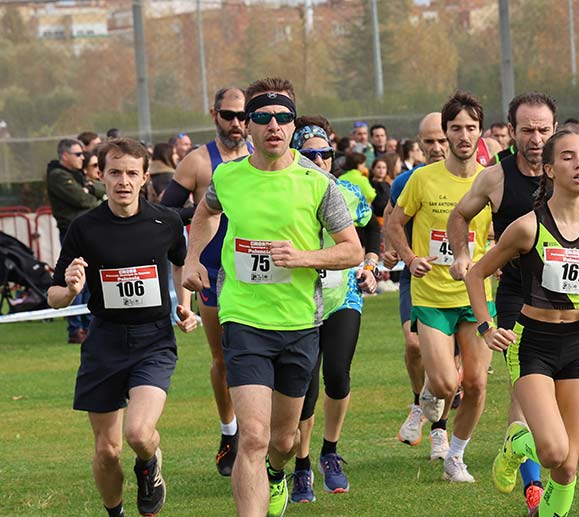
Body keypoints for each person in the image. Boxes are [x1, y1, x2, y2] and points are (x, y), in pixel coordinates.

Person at [182, 77, 362, 517]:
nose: (273, 126)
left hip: (300, 323)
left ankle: (277, 473)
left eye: (283, 118)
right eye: (262, 117)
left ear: (293, 124)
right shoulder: (228, 176)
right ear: (248, 127)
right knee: (254, 436)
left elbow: (352, 249)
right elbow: (205, 213)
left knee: (282, 441)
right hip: (244, 319)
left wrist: (302, 258)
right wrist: (191, 258)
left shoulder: (317, 183)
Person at [465, 128, 579, 517]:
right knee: (551, 451)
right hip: (533, 343)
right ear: (549, 168)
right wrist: (486, 326)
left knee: (568, 466)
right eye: (567, 156)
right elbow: (475, 273)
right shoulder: (528, 226)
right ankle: (515, 445)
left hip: (578, 343)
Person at [448, 92, 579, 515]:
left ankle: (524, 460)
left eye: (543, 130)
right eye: (527, 130)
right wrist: (462, 256)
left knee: (568, 461)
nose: (536, 138)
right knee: (542, 423)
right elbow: (460, 216)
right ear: (511, 132)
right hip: (519, 294)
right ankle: (527, 461)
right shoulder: (495, 178)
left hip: (572, 312)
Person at [47, 138, 199, 517]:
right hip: (105, 342)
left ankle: (149, 464)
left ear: (145, 177)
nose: (123, 181)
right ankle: (115, 512)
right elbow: (52, 296)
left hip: (153, 342)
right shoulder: (85, 227)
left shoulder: (166, 220)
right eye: (115, 172)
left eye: (132, 173)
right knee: (107, 450)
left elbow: (180, 263)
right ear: (101, 175)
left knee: (138, 434)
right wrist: (69, 289)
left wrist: (184, 305)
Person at [387, 91, 493, 483]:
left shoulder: (489, 178)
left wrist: (495, 254)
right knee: (448, 382)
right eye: (455, 129)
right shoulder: (422, 179)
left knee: (477, 383)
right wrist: (409, 257)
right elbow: (394, 224)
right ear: (445, 134)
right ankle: (430, 394)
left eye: (470, 128)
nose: (463, 135)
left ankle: (456, 458)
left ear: (480, 131)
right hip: (431, 295)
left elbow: (499, 231)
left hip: (475, 295)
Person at [160, 86, 254, 477]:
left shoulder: (261, 158)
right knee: (223, 359)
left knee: (256, 354)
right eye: (228, 115)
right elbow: (163, 215)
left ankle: (256, 434)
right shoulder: (197, 163)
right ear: (213, 114)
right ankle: (229, 432)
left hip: (253, 270)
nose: (236, 123)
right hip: (212, 273)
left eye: (241, 115)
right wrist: (203, 207)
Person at [287, 117, 380, 504]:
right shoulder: (286, 193)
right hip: (300, 302)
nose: (319, 161)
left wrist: (371, 265)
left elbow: (372, 225)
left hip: (344, 298)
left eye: (325, 154)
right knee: (305, 390)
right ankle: (302, 466)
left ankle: (330, 452)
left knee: (337, 374)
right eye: (309, 155)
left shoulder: (348, 191)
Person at [382, 112, 449, 457]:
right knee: (413, 345)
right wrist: (392, 251)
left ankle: (440, 430)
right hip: (417, 274)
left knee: (448, 367)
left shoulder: (477, 179)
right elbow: (391, 218)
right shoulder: (406, 181)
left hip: (456, 279)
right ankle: (418, 403)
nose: (437, 148)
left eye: (442, 140)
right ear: (418, 145)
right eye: (429, 142)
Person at [46, 138, 106, 343]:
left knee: (89, 281)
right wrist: (92, 195)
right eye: (78, 154)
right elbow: (84, 200)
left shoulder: (77, 175)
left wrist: (92, 191)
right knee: (74, 280)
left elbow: (100, 189)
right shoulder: (58, 176)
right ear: (65, 156)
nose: (83, 157)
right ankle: (75, 329)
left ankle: (89, 325)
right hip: (73, 233)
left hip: (91, 231)